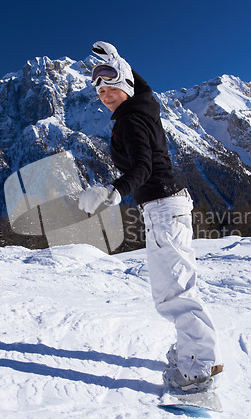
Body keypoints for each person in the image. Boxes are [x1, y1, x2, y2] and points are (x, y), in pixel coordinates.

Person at [79, 41, 223, 391]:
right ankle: (197, 354)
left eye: (112, 84)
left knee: (174, 293)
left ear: (126, 82)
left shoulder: (132, 120)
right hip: (165, 208)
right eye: (99, 87)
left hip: (162, 207)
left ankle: (198, 370)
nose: (105, 93)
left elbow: (143, 166)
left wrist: (115, 190)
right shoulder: (140, 111)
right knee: (173, 287)